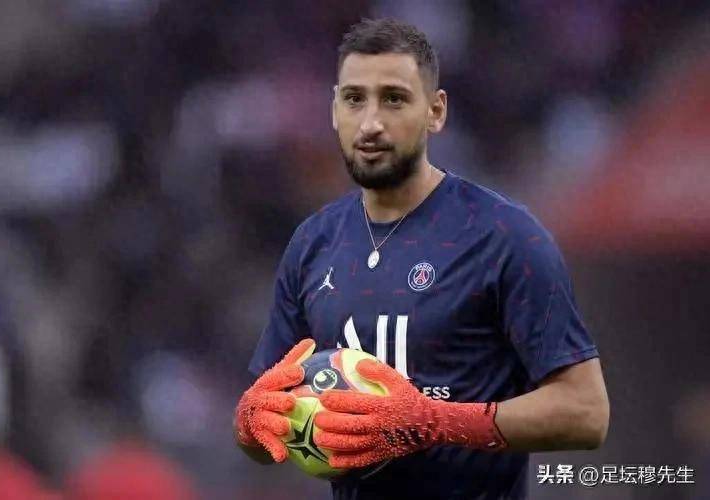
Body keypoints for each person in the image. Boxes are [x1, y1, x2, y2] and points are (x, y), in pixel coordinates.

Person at [234, 18, 609, 499]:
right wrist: (249, 425)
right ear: (334, 110)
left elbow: (586, 413)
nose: (371, 123)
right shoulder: (312, 243)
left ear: (436, 111)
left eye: (394, 99)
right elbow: (268, 427)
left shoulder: (505, 236)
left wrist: (433, 421)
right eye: (354, 99)